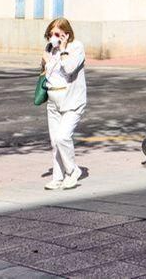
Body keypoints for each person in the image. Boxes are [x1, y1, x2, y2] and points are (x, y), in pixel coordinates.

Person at [41, 18, 87, 190]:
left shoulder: (76, 48)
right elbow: (48, 75)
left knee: (62, 137)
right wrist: (46, 60)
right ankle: (58, 177)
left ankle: (73, 171)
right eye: (50, 34)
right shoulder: (50, 49)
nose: (53, 37)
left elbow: (68, 69)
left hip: (72, 101)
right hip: (53, 101)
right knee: (55, 142)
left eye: (57, 34)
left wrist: (62, 49)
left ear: (66, 34)